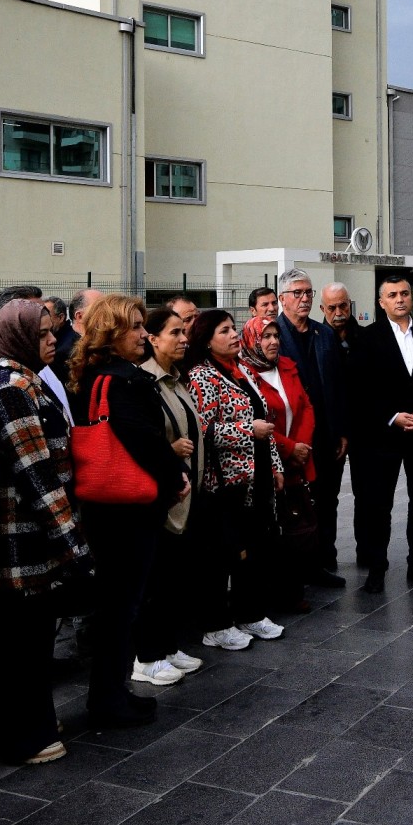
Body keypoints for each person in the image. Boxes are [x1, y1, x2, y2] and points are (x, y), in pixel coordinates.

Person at [0, 298, 91, 765]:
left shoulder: (21, 379)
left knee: (28, 638)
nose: (51, 341)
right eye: (41, 334)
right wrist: (74, 544)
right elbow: (37, 474)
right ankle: (16, 735)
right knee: (21, 640)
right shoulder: (12, 386)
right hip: (21, 535)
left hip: (28, 533)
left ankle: (26, 724)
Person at [69, 294, 190, 726]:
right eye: (136, 327)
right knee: (122, 606)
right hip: (130, 509)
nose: (143, 334)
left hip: (100, 506)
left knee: (115, 606)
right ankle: (109, 699)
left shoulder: (89, 377)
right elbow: (145, 440)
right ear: (112, 333)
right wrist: (174, 476)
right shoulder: (127, 381)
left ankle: (111, 693)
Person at [186, 309, 288, 646]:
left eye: (234, 329)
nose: (233, 335)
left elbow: (265, 421)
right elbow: (202, 428)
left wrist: (275, 466)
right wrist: (247, 430)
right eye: (224, 330)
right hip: (224, 481)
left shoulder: (242, 370)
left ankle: (250, 615)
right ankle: (216, 624)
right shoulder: (201, 376)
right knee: (223, 553)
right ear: (206, 339)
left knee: (255, 548)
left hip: (255, 475)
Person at [348, 269, 413, 593]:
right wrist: (392, 417)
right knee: (380, 505)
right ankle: (377, 569)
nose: (400, 299)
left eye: (404, 293)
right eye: (392, 295)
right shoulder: (368, 337)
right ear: (381, 302)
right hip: (385, 435)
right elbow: (361, 390)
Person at [131, 305, 205, 687]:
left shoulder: (176, 380)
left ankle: (167, 644)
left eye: (184, 332)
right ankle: (147, 656)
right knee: (153, 580)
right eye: (174, 333)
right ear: (153, 339)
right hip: (158, 497)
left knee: (173, 577)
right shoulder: (143, 382)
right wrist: (169, 451)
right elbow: (144, 438)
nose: (183, 339)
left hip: (185, 496)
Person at [275, 270, 349, 590]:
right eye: (297, 293)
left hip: (327, 435)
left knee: (327, 499)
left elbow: (338, 387)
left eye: (308, 292)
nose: (304, 298)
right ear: (282, 299)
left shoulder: (325, 335)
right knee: (292, 502)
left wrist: (342, 431)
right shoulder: (272, 335)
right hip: (291, 437)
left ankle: (321, 561)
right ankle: (292, 566)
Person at [239, 313, 318, 614]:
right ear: (252, 340)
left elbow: (305, 406)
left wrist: (303, 445)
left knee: (297, 525)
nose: (273, 342)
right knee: (271, 530)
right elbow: (256, 421)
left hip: (298, 457)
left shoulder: (286, 366)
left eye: (275, 336)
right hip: (270, 460)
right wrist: (288, 448)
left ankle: (293, 590)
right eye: (266, 337)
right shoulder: (243, 374)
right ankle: (269, 594)